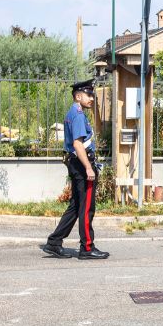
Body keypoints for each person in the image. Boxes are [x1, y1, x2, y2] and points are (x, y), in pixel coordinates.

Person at [42, 80, 109, 260]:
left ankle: (54, 243)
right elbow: (78, 144)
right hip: (81, 164)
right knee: (87, 208)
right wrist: (88, 167)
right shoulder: (78, 115)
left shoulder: (73, 113)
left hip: (75, 163)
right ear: (78, 96)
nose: (92, 99)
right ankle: (86, 247)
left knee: (75, 207)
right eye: (89, 95)